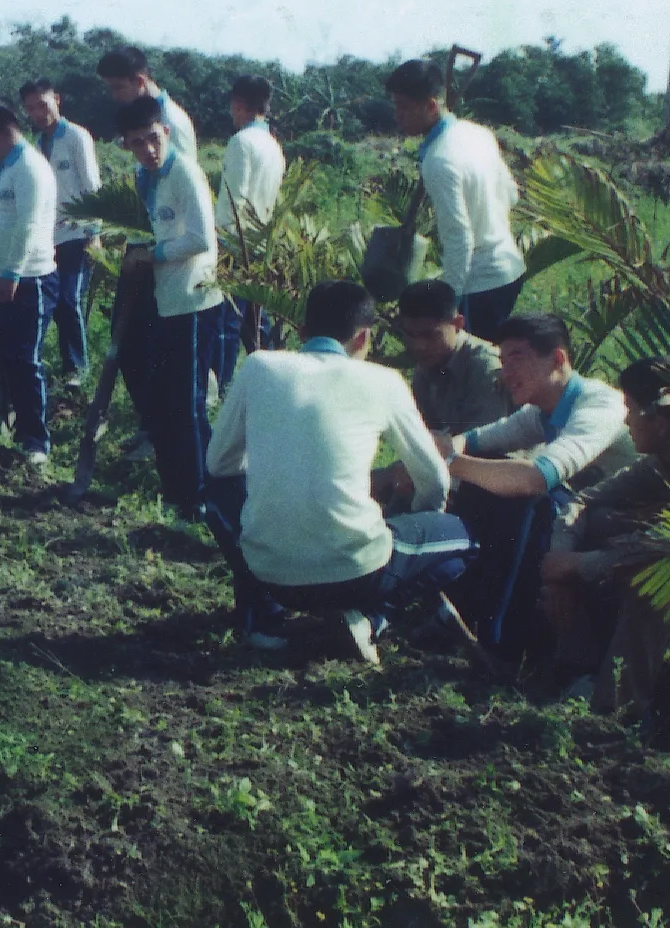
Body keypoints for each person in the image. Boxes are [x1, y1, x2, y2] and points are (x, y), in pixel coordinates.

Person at [203, 280, 476, 658]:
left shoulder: (258, 366)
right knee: (463, 542)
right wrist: (418, 516)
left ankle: (264, 618)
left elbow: (218, 463)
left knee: (220, 491)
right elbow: (433, 477)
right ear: (364, 337)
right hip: (360, 573)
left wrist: (281, 467)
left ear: (302, 332)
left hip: (269, 573)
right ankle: (374, 618)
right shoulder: (383, 380)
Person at [538, 354, 670, 709]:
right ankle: (573, 672)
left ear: (661, 421)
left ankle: (613, 709)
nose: (626, 420)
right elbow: (583, 502)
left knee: (655, 579)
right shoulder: (666, 463)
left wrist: (577, 564)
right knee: (603, 521)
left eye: (631, 409)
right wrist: (560, 568)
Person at [444, 312, 636, 655]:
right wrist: (450, 454)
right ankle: (472, 615)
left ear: (558, 358)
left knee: (526, 497)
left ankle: (505, 637)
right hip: (582, 519)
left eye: (517, 359)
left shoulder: (598, 404)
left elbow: (535, 479)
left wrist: (450, 464)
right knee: (491, 482)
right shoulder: (540, 411)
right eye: (502, 361)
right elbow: (473, 440)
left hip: (624, 526)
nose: (506, 373)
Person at [116, 94, 223, 519]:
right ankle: (180, 488)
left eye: (154, 138)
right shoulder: (148, 176)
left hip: (193, 300)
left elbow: (202, 239)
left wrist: (152, 255)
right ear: (127, 145)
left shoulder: (185, 173)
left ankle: (200, 496)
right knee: (167, 401)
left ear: (165, 131)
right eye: (138, 142)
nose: (149, 149)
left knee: (188, 402)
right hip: (166, 300)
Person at [383, 58, 525, 338]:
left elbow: (459, 239)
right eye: (396, 106)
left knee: (470, 371)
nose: (398, 115)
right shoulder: (478, 133)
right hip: (510, 269)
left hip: (479, 284)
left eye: (405, 108)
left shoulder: (439, 160)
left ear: (431, 106)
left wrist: (448, 306)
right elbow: (511, 194)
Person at [0, 101, 57, 464]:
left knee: (25, 360)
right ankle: (14, 426)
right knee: (7, 356)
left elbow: (29, 225)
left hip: (27, 278)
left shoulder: (30, 168)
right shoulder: (8, 167)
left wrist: (11, 273)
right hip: (1, 275)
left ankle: (37, 440)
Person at [19, 79, 102, 380]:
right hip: (49, 235)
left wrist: (94, 233)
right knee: (57, 302)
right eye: (31, 109)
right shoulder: (38, 143)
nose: (38, 113)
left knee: (69, 299)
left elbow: (92, 185)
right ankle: (68, 364)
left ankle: (78, 368)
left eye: (43, 104)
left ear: (57, 99)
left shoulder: (76, 137)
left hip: (77, 232)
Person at [211, 75, 284, 383]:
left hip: (236, 243)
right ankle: (275, 379)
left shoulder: (241, 142)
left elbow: (233, 200)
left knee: (228, 320)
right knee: (256, 319)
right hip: (261, 240)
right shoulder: (272, 145)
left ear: (239, 106)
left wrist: (219, 245)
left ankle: (222, 385)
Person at [391, 280, 512, 449]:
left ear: (458, 324)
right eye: (411, 335)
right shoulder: (426, 366)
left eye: (430, 335)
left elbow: (487, 444)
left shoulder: (484, 366)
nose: (419, 346)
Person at [96, 46, 197, 160]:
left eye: (118, 87)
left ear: (140, 81)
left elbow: (185, 174)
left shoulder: (171, 121)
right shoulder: (142, 119)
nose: (115, 96)